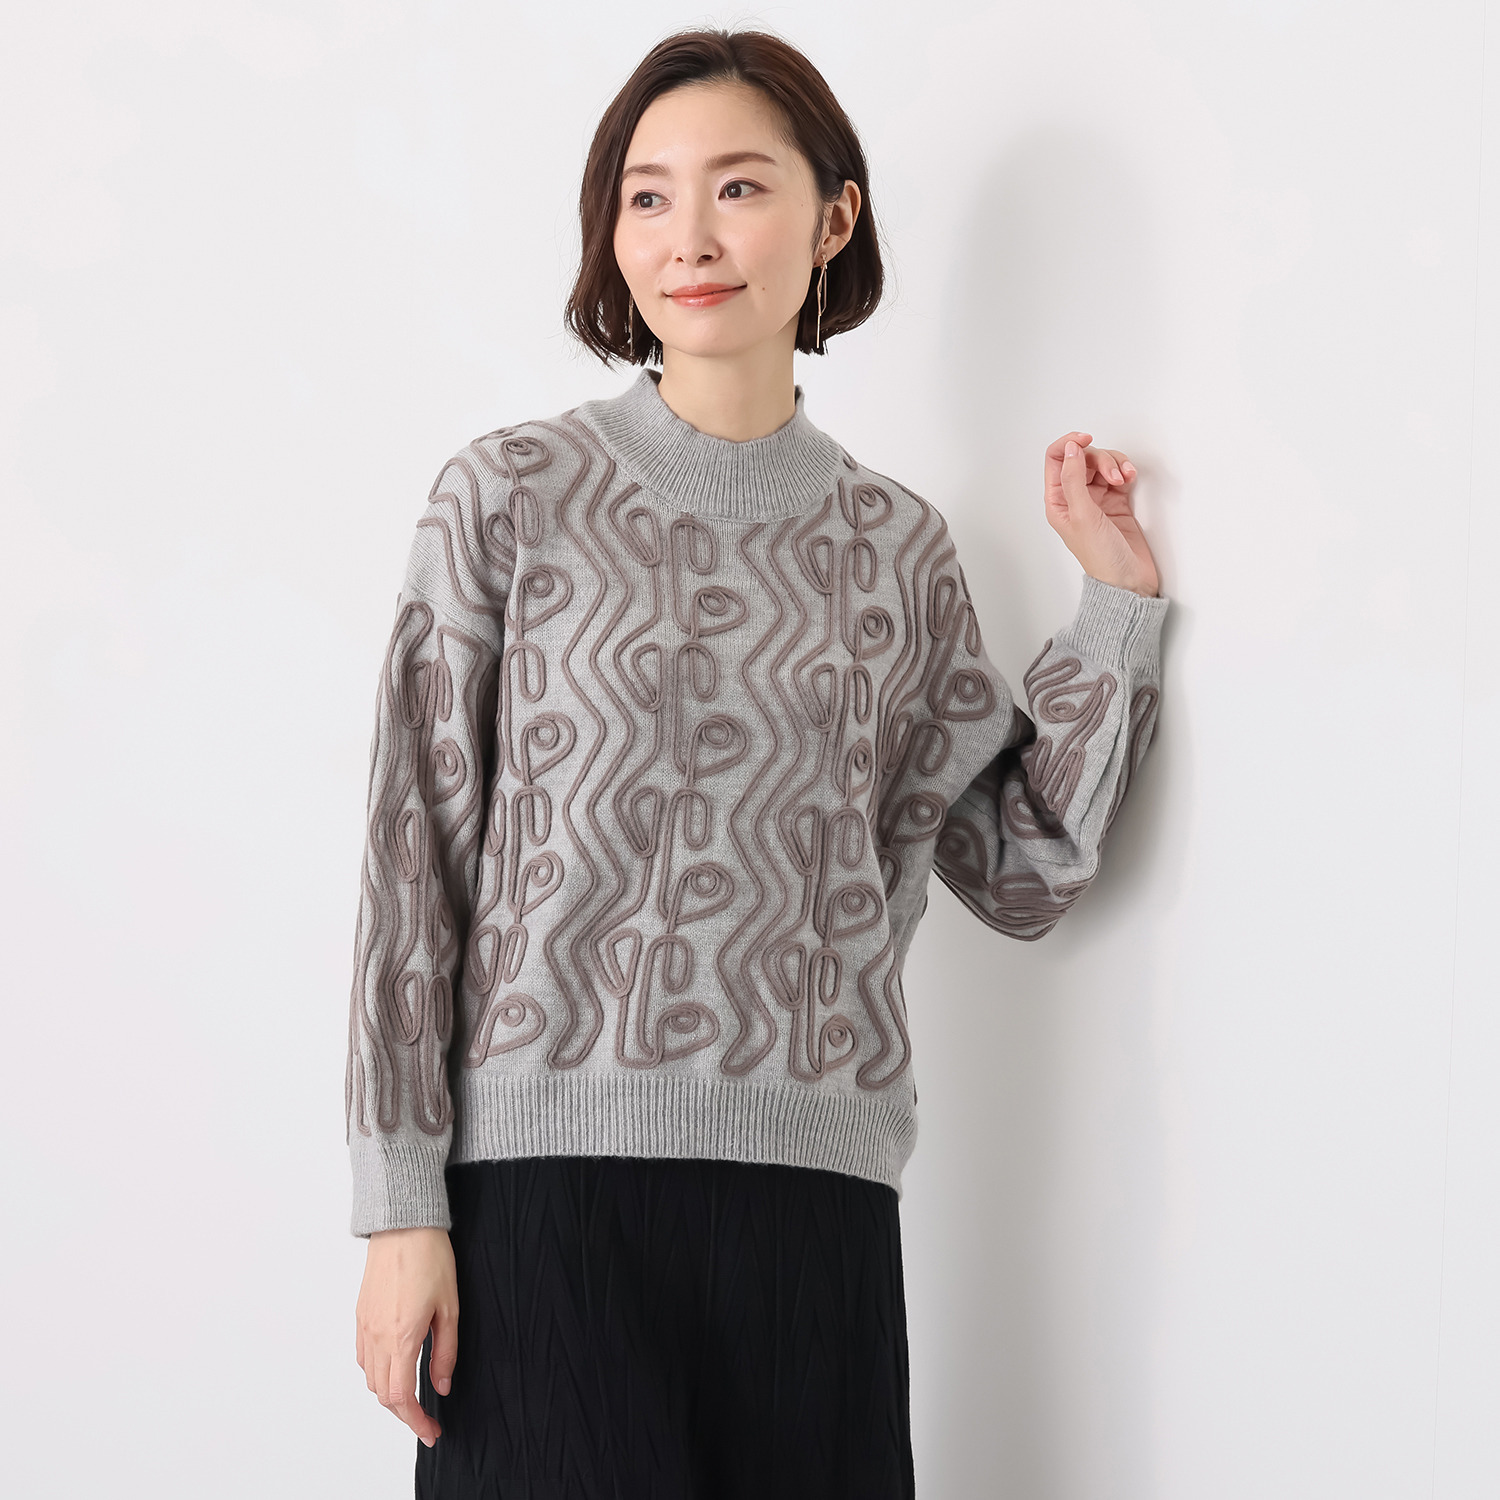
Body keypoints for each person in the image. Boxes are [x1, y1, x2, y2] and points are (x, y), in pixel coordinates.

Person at [346, 26, 1165, 1500]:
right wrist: (401, 1211)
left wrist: (1114, 603)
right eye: (647, 196)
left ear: (832, 218)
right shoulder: (509, 496)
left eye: (738, 187)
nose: (690, 238)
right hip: (540, 1205)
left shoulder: (897, 550)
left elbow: (1022, 866)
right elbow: (417, 860)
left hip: (812, 1207)